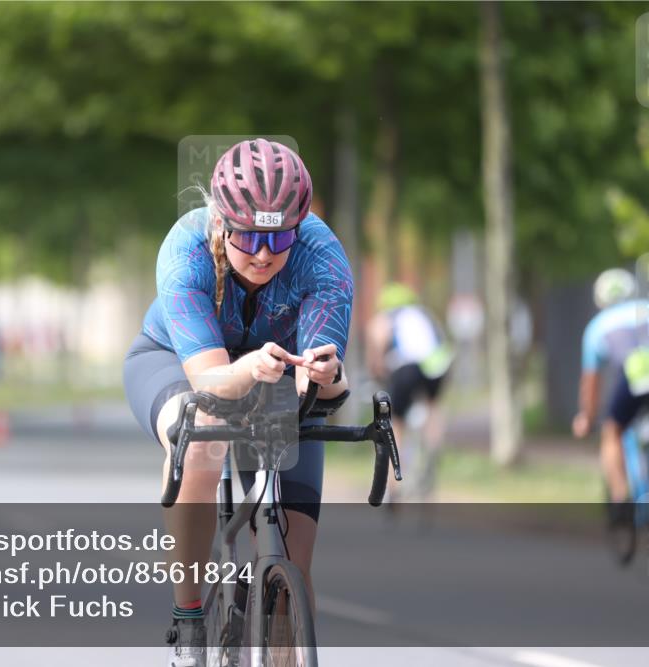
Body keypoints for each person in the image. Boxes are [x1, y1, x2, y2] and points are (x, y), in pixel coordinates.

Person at [122, 139, 353, 666]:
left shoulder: (323, 258)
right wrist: (247, 369)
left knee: (295, 553)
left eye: (280, 237)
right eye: (248, 236)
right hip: (175, 363)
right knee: (200, 441)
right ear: (223, 224)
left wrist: (329, 375)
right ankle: (188, 620)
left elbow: (331, 393)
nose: (265, 253)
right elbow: (208, 386)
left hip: (275, 372)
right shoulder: (185, 250)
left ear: (301, 226)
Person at [572, 268, 649, 525]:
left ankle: (620, 498)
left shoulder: (596, 327)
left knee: (612, 433)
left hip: (633, 379)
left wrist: (587, 417)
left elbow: (591, 382)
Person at [366, 283, 453, 499]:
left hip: (406, 366)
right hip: (438, 363)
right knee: (433, 406)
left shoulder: (385, 316)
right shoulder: (423, 313)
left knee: (396, 422)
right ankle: (433, 447)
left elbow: (378, 343)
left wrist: (377, 370)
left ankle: (394, 482)